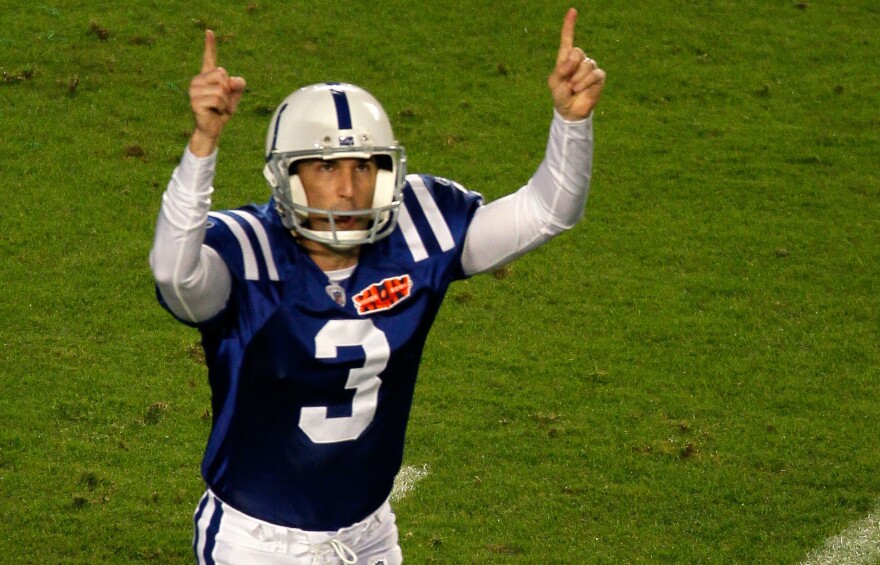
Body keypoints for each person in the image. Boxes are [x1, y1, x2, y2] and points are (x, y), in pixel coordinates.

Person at [150, 7, 605, 564]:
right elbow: (176, 273)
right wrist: (203, 144)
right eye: (325, 167)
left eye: (365, 166)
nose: (348, 189)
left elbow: (548, 212)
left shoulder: (421, 228)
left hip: (369, 533)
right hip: (257, 541)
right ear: (286, 175)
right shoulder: (246, 250)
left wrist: (572, 121)